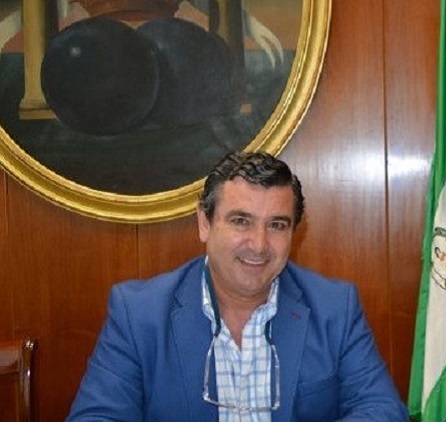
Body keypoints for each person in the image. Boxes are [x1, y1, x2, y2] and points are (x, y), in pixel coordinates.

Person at [68, 152, 408, 421]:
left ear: (294, 232)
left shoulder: (334, 307)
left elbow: (383, 410)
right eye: (241, 221)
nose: (259, 245)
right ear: (204, 222)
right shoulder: (139, 313)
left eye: (277, 225)